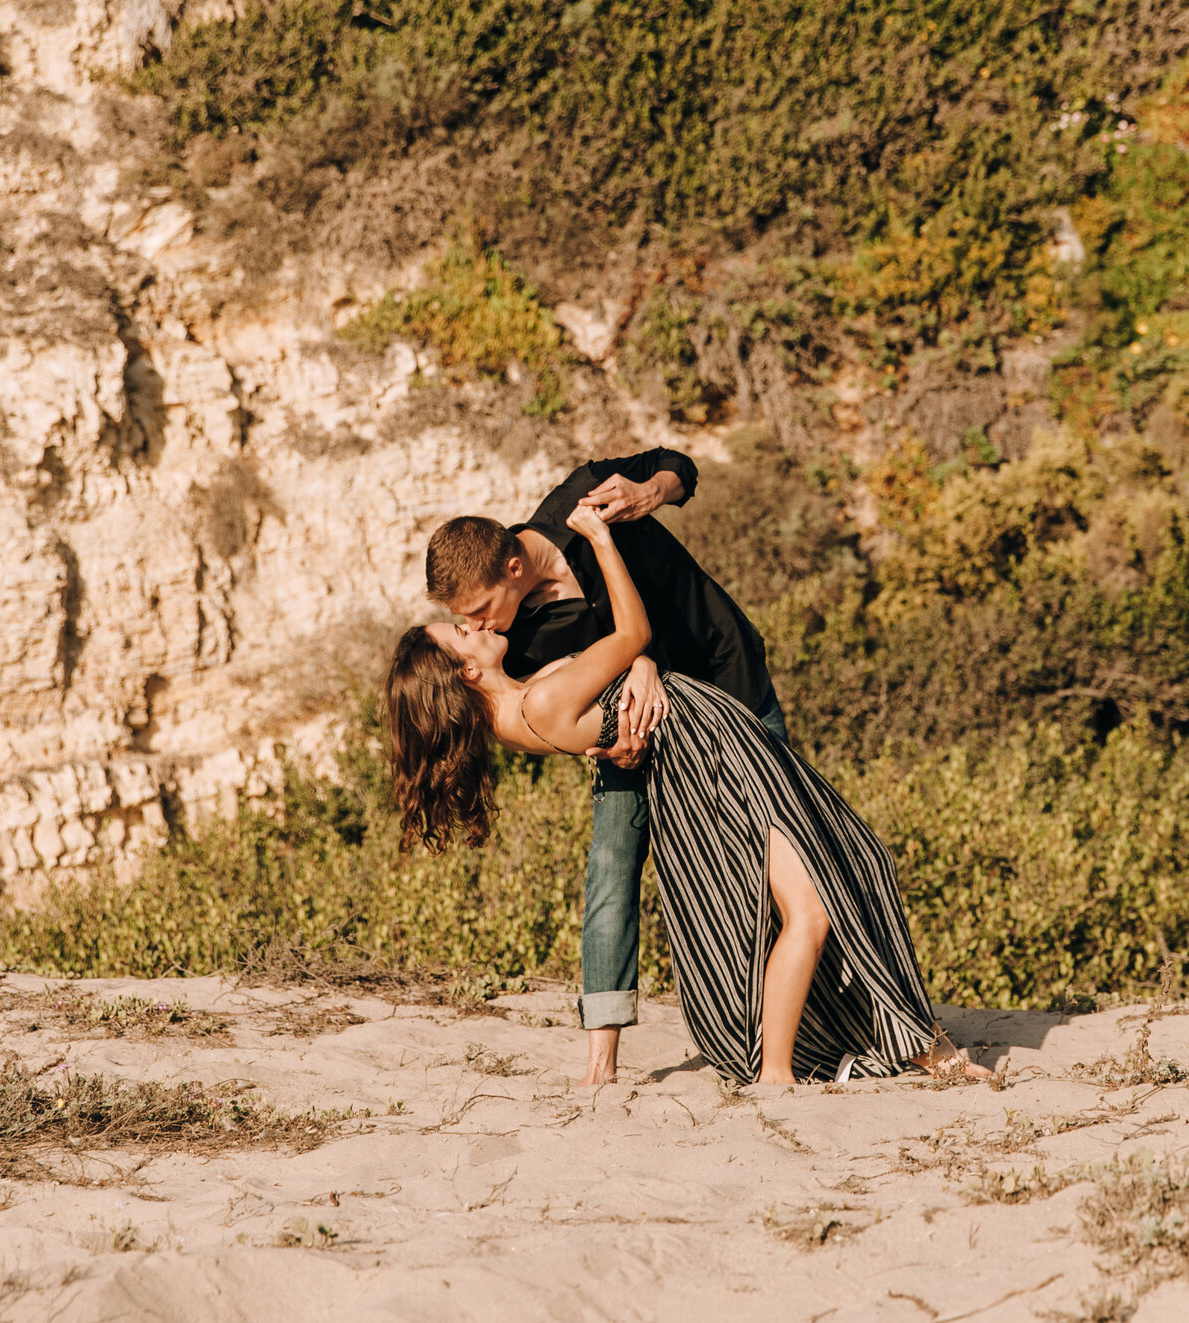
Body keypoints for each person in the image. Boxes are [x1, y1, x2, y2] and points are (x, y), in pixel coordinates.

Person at [389, 501, 987, 1086]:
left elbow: (616, 669)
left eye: (466, 618)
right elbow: (632, 632)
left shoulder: (517, 703)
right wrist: (600, 540)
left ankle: (891, 1047)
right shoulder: (536, 701)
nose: (475, 626)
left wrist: (640, 669)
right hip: (714, 761)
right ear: (466, 671)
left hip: (713, 749)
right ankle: (791, 1072)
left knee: (836, 879)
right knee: (814, 903)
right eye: (462, 632)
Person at [424, 448, 782, 1085]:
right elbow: (571, 690)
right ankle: (601, 1065)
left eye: (480, 609)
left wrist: (654, 492)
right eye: (464, 619)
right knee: (612, 864)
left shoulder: (587, 498)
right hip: (639, 733)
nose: (475, 625)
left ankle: (802, 1018)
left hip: (732, 682)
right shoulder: (518, 639)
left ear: (513, 566)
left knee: (782, 853)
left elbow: (680, 466)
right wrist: (615, 706)